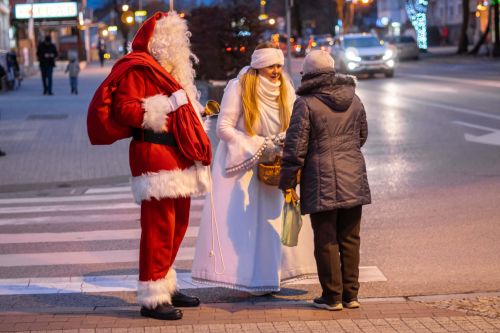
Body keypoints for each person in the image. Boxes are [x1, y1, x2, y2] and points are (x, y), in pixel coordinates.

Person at [87, 12, 212, 320]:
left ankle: (165, 284)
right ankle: (152, 298)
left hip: (177, 155)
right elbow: (125, 110)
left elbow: (180, 110)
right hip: (154, 154)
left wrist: (193, 113)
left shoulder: (171, 71)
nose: (178, 45)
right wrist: (168, 105)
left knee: (178, 225)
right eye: (172, 38)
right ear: (158, 41)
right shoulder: (138, 68)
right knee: (159, 227)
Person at [192, 42, 317, 295]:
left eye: (279, 65)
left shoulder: (286, 88)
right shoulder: (238, 87)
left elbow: (295, 122)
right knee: (247, 226)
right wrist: (259, 145)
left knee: (275, 224)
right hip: (245, 167)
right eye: (271, 65)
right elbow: (223, 128)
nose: (276, 70)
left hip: (277, 164)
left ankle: (275, 276)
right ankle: (251, 278)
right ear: (259, 65)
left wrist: (282, 142)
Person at [279, 50, 371, 311]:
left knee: (326, 239)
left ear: (307, 75)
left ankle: (332, 297)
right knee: (351, 238)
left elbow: (295, 148)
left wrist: (288, 183)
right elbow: (361, 136)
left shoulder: (306, 103)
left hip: (320, 180)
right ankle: (351, 296)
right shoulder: (354, 99)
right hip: (353, 176)